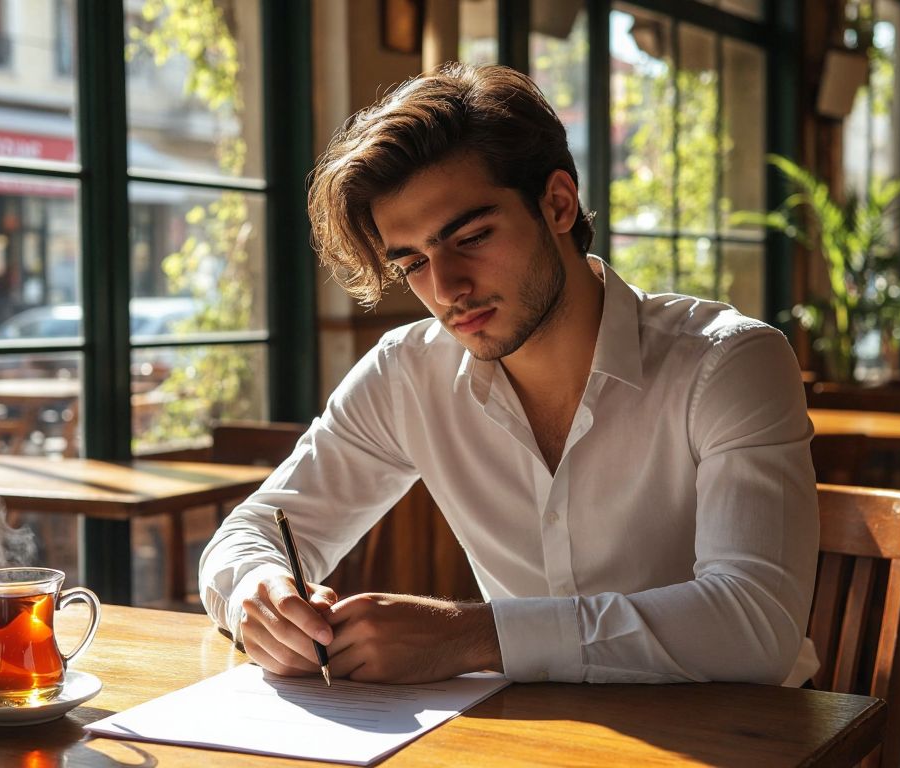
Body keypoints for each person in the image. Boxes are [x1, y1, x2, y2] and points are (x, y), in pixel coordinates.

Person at [199, 63, 819, 687]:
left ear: (556, 204)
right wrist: (260, 595)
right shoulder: (406, 373)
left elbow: (754, 626)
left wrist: (472, 636)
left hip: (741, 737)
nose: (446, 289)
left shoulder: (728, 362)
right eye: (413, 261)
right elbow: (251, 531)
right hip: (532, 735)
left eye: (470, 237)